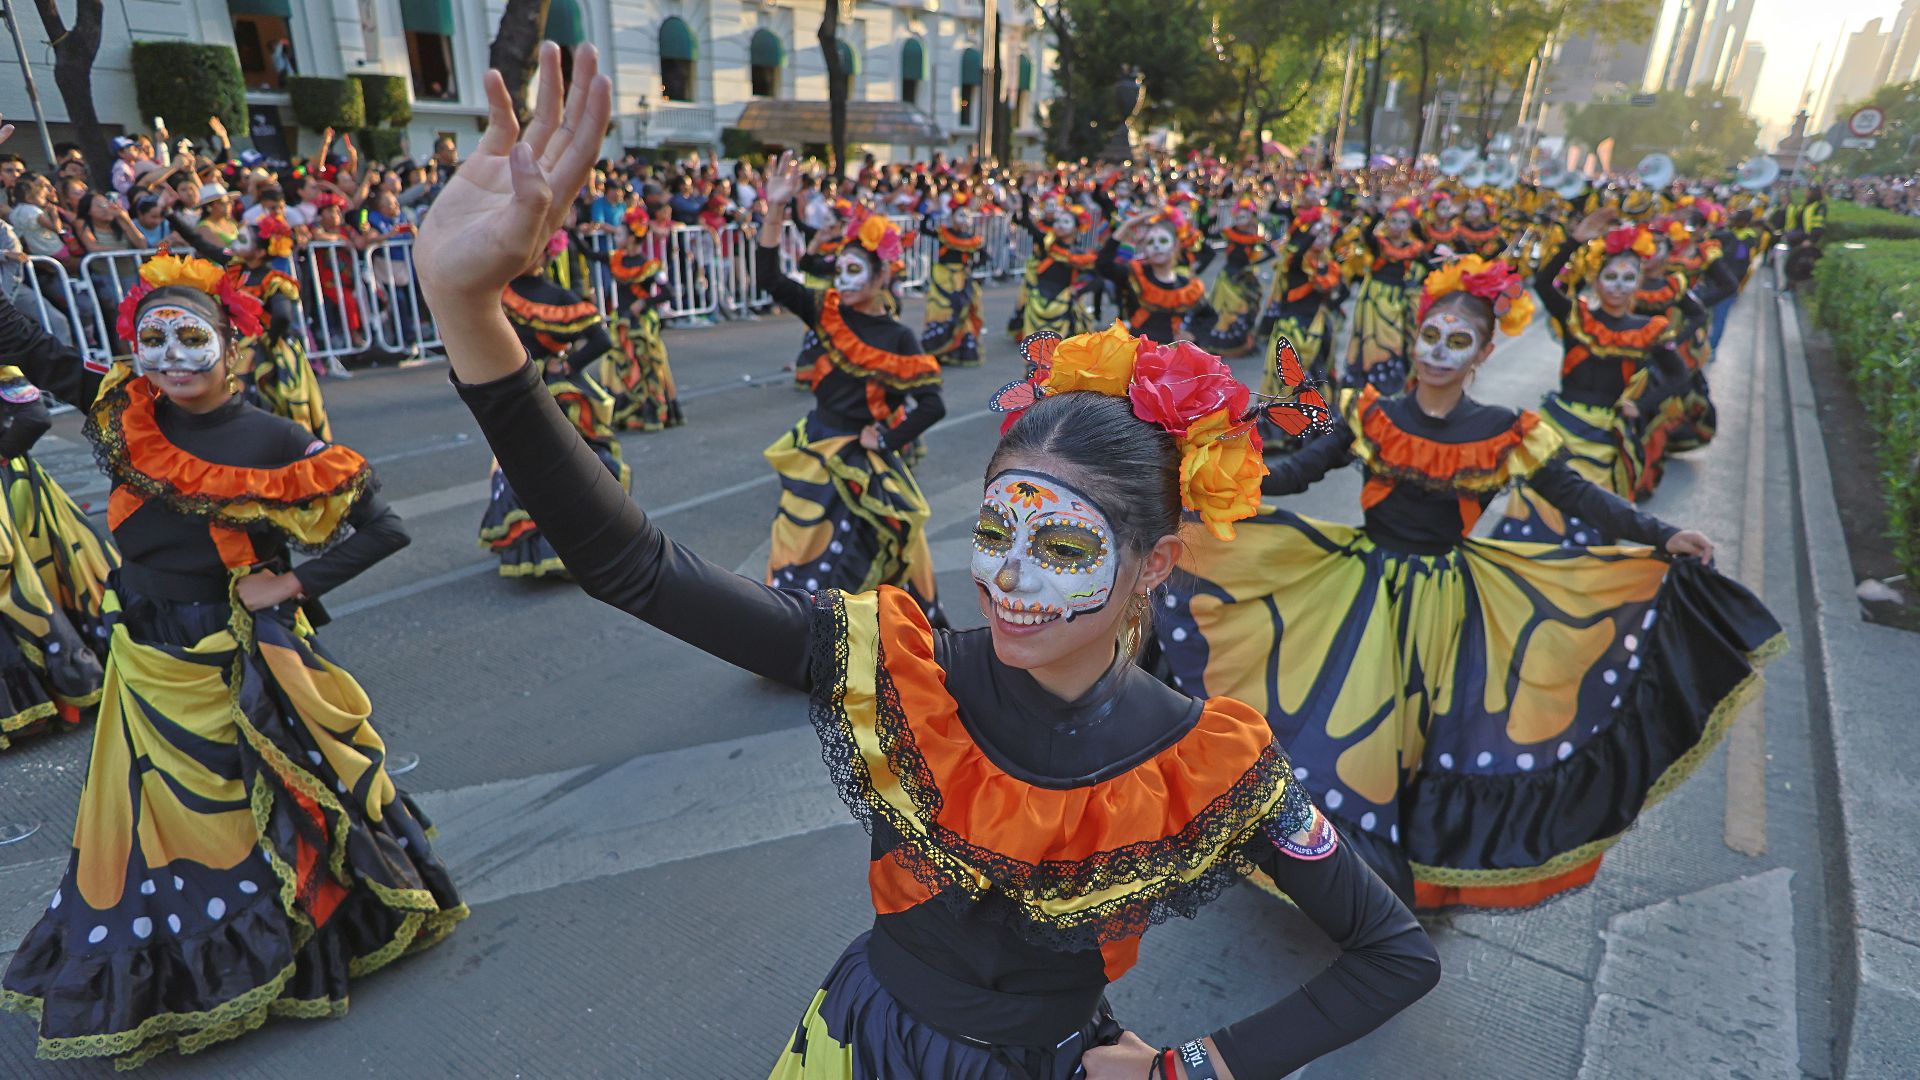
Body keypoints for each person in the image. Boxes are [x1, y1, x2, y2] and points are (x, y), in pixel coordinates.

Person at [415, 46, 1438, 1078]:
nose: (1009, 579)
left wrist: (1197, 1067)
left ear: (1156, 562)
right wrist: (469, 315)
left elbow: (1394, 954)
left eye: (1065, 546)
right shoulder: (902, 667)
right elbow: (632, 566)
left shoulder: (1211, 764)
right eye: (994, 533)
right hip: (861, 1044)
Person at [1157, 255, 1783, 910]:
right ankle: (1313, 852)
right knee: (1334, 719)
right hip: (1357, 587)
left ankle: (1371, 875)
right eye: (1431, 336)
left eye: (1457, 342)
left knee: (1407, 734)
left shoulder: (1503, 432)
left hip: (1441, 605)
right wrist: (1210, 483)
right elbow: (1296, 471)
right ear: (1415, 335)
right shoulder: (1372, 413)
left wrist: (1660, 535)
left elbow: (1579, 496)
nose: (1438, 352)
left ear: (1483, 351)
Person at [2, 250, 464, 1067]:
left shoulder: (273, 436)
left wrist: (289, 581)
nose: (171, 359)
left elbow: (384, 527)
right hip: (142, 655)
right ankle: (179, 959)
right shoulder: (126, 410)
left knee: (257, 809)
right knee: (151, 822)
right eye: (154, 339)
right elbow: (34, 346)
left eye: (191, 339)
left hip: (231, 656)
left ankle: (290, 946)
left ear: (233, 347)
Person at [754, 153, 946, 622]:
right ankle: (793, 635)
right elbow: (769, 279)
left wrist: (885, 438)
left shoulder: (899, 338)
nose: (843, 278)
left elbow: (932, 404)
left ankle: (869, 641)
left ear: (883, 275)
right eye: (841, 269)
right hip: (816, 444)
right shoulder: (827, 309)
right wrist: (776, 209)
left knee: (881, 543)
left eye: (855, 270)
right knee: (797, 542)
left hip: (862, 458)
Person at [1494, 210, 1689, 545]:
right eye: (1610, 277)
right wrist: (1574, 241)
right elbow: (1543, 282)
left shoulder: (1647, 330)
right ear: (1597, 280)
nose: (1618, 286)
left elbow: (1680, 376)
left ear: (1639, 284)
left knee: (1590, 515)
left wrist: (1640, 404)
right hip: (1558, 427)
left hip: (1603, 436)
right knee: (1537, 509)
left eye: (1628, 278)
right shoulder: (1577, 317)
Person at [478, 230, 631, 578]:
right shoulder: (502, 292)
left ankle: (575, 543)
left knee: (564, 466)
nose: (530, 256)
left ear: (547, 254)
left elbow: (600, 338)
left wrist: (569, 365)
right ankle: (531, 546)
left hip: (555, 393)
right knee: (520, 466)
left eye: (536, 251)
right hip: (515, 389)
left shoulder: (559, 297)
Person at [919, 191, 986, 367]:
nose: (964, 219)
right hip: (942, 278)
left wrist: (971, 269)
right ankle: (937, 349)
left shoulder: (971, 239)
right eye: (960, 215)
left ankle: (957, 351)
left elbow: (985, 256)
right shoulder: (944, 233)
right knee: (940, 312)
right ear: (953, 217)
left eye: (967, 216)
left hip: (961, 280)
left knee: (962, 314)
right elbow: (924, 229)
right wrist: (927, 212)